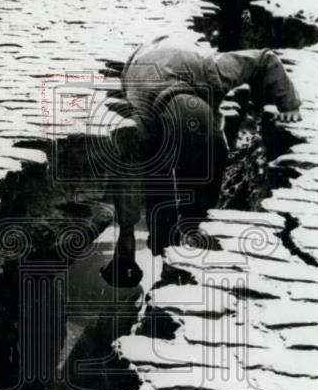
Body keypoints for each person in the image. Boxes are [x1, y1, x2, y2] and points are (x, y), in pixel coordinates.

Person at [101, 38, 302, 286]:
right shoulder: (141, 116)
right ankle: (167, 252)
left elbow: (264, 59)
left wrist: (288, 103)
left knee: (203, 174)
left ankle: (185, 241)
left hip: (182, 65)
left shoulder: (212, 71)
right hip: (143, 64)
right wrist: (127, 230)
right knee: (157, 181)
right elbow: (130, 171)